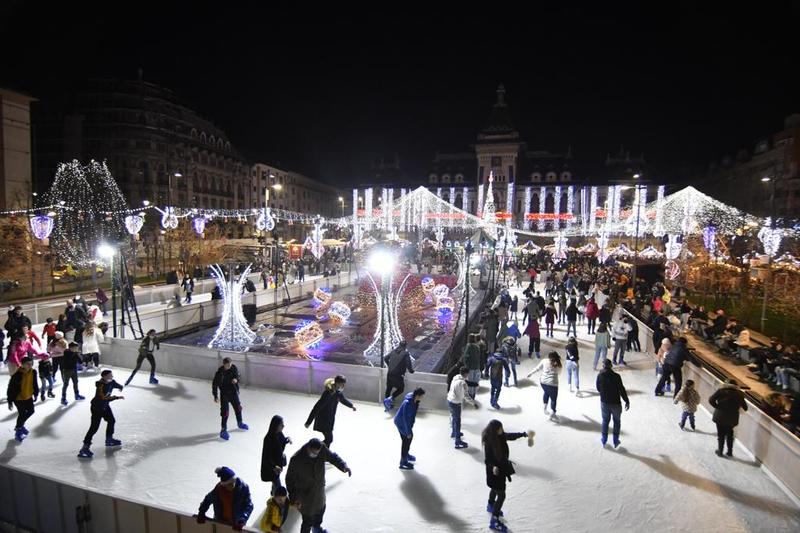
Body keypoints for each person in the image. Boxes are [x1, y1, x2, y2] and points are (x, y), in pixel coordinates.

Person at [286, 438, 351, 533]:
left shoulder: (322, 449)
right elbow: (289, 480)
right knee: (307, 521)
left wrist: (343, 466)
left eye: (317, 453)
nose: (316, 455)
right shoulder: (296, 459)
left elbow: (333, 457)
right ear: (308, 448)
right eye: (313, 453)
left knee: (320, 511)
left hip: (319, 492)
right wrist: (294, 498)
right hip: (305, 496)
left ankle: (316, 528)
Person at [482, 419, 532, 532]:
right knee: (501, 495)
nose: (502, 430)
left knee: (494, 489)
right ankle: (494, 521)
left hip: (501, 469)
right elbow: (487, 461)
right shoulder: (489, 442)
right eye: (500, 428)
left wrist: (523, 434)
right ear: (495, 430)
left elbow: (510, 436)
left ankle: (490, 505)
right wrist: (493, 467)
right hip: (494, 472)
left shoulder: (500, 436)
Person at [78, 369, 124, 458]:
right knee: (94, 428)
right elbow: (102, 397)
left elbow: (117, 385)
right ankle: (84, 448)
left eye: (112, 375)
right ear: (104, 377)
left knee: (111, 420)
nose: (112, 376)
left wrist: (120, 387)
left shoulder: (112, 382)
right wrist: (116, 397)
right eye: (110, 375)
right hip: (97, 408)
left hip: (105, 406)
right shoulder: (100, 385)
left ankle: (109, 440)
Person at [304, 375, 356, 447]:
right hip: (323, 420)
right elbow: (317, 407)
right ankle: (314, 448)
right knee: (329, 439)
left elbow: (343, 399)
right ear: (337, 383)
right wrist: (308, 422)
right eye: (342, 384)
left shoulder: (337, 392)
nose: (344, 386)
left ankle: (320, 451)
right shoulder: (328, 393)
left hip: (329, 419)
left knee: (328, 439)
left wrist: (351, 406)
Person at [197, 467, 254, 531]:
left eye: (233, 482)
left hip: (236, 524)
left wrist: (242, 519)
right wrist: (202, 511)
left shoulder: (243, 488)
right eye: (228, 484)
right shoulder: (218, 490)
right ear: (224, 485)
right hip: (220, 522)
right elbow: (208, 499)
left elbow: (249, 505)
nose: (232, 486)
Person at [709, 379, 748, 457]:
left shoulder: (721, 391)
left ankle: (720, 451)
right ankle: (730, 451)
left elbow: (711, 400)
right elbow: (745, 408)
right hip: (732, 417)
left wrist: (718, 407)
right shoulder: (739, 394)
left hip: (720, 416)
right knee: (730, 434)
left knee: (721, 434)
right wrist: (736, 408)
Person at [596, 359, 630, 448]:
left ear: (603, 366)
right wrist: (626, 401)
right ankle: (615, 440)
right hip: (616, 403)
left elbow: (598, 388)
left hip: (604, 402)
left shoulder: (600, 376)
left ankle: (604, 439)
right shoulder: (617, 376)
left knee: (605, 421)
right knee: (617, 421)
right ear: (611, 366)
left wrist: (604, 393)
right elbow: (622, 390)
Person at [213, 357, 249, 440]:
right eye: (228, 365)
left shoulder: (233, 368)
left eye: (230, 364)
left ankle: (240, 422)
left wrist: (236, 379)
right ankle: (223, 429)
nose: (229, 366)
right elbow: (214, 385)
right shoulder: (219, 373)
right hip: (225, 394)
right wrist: (215, 396)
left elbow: (238, 376)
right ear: (224, 364)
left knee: (238, 408)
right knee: (225, 412)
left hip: (233, 393)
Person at [7, 357, 39, 442]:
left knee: (31, 411)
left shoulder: (33, 372)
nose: (30, 365)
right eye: (27, 364)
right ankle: (18, 431)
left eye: (31, 364)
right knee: (22, 414)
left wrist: (36, 393)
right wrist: (10, 401)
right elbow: (10, 388)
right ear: (22, 364)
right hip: (18, 398)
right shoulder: (17, 375)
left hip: (28, 396)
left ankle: (20, 425)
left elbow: (35, 383)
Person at [394, 387, 425, 469]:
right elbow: (405, 419)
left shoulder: (414, 400)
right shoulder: (408, 403)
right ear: (417, 396)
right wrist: (408, 432)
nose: (422, 398)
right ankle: (403, 462)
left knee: (408, 439)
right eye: (422, 396)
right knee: (406, 440)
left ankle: (406, 455)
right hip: (401, 422)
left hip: (403, 422)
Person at [528, 351, 563, 421]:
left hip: (543, 382)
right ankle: (552, 413)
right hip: (553, 384)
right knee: (553, 399)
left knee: (546, 392)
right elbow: (559, 373)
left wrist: (530, 373)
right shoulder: (558, 364)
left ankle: (545, 407)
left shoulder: (544, 361)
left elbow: (537, 368)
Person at [261, 415, 292, 494]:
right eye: (281, 424)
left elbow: (281, 443)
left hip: (277, 465)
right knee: (278, 485)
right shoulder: (268, 439)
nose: (283, 426)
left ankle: (273, 493)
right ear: (276, 425)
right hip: (272, 467)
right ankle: (276, 496)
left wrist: (287, 439)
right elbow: (266, 456)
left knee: (275, 481)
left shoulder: (279, 433)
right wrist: (274, 466)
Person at [448, 367, 477, 449]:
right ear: (466, 374)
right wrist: (473, 403)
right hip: (456, 403)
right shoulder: (463, 383)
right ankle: (457, 442)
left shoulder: (456, 377)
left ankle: (454, 433)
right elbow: (466, 396)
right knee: (457, 421)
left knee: (453, 417)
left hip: (449, 400)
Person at [383, 340, 415, 411]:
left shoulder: (393, 351)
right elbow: (408, 364)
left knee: (388, 388)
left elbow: (385, 358)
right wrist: (411, 371)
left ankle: (386, 404)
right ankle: (391, 398)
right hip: (398, 374)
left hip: (390, 373)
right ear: (405, 346)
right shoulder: (405, 353)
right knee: (401, 389)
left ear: (399, 345)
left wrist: (389, 366)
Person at [462, 333, 482, 399]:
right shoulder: (477, 347)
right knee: (474, 381)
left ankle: (471, 395)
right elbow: (479, 357)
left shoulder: (469, 346)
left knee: (470, 381)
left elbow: (465, 356)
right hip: (476, 367)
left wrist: (466, 364)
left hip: (470, 367)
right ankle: (474, 394)